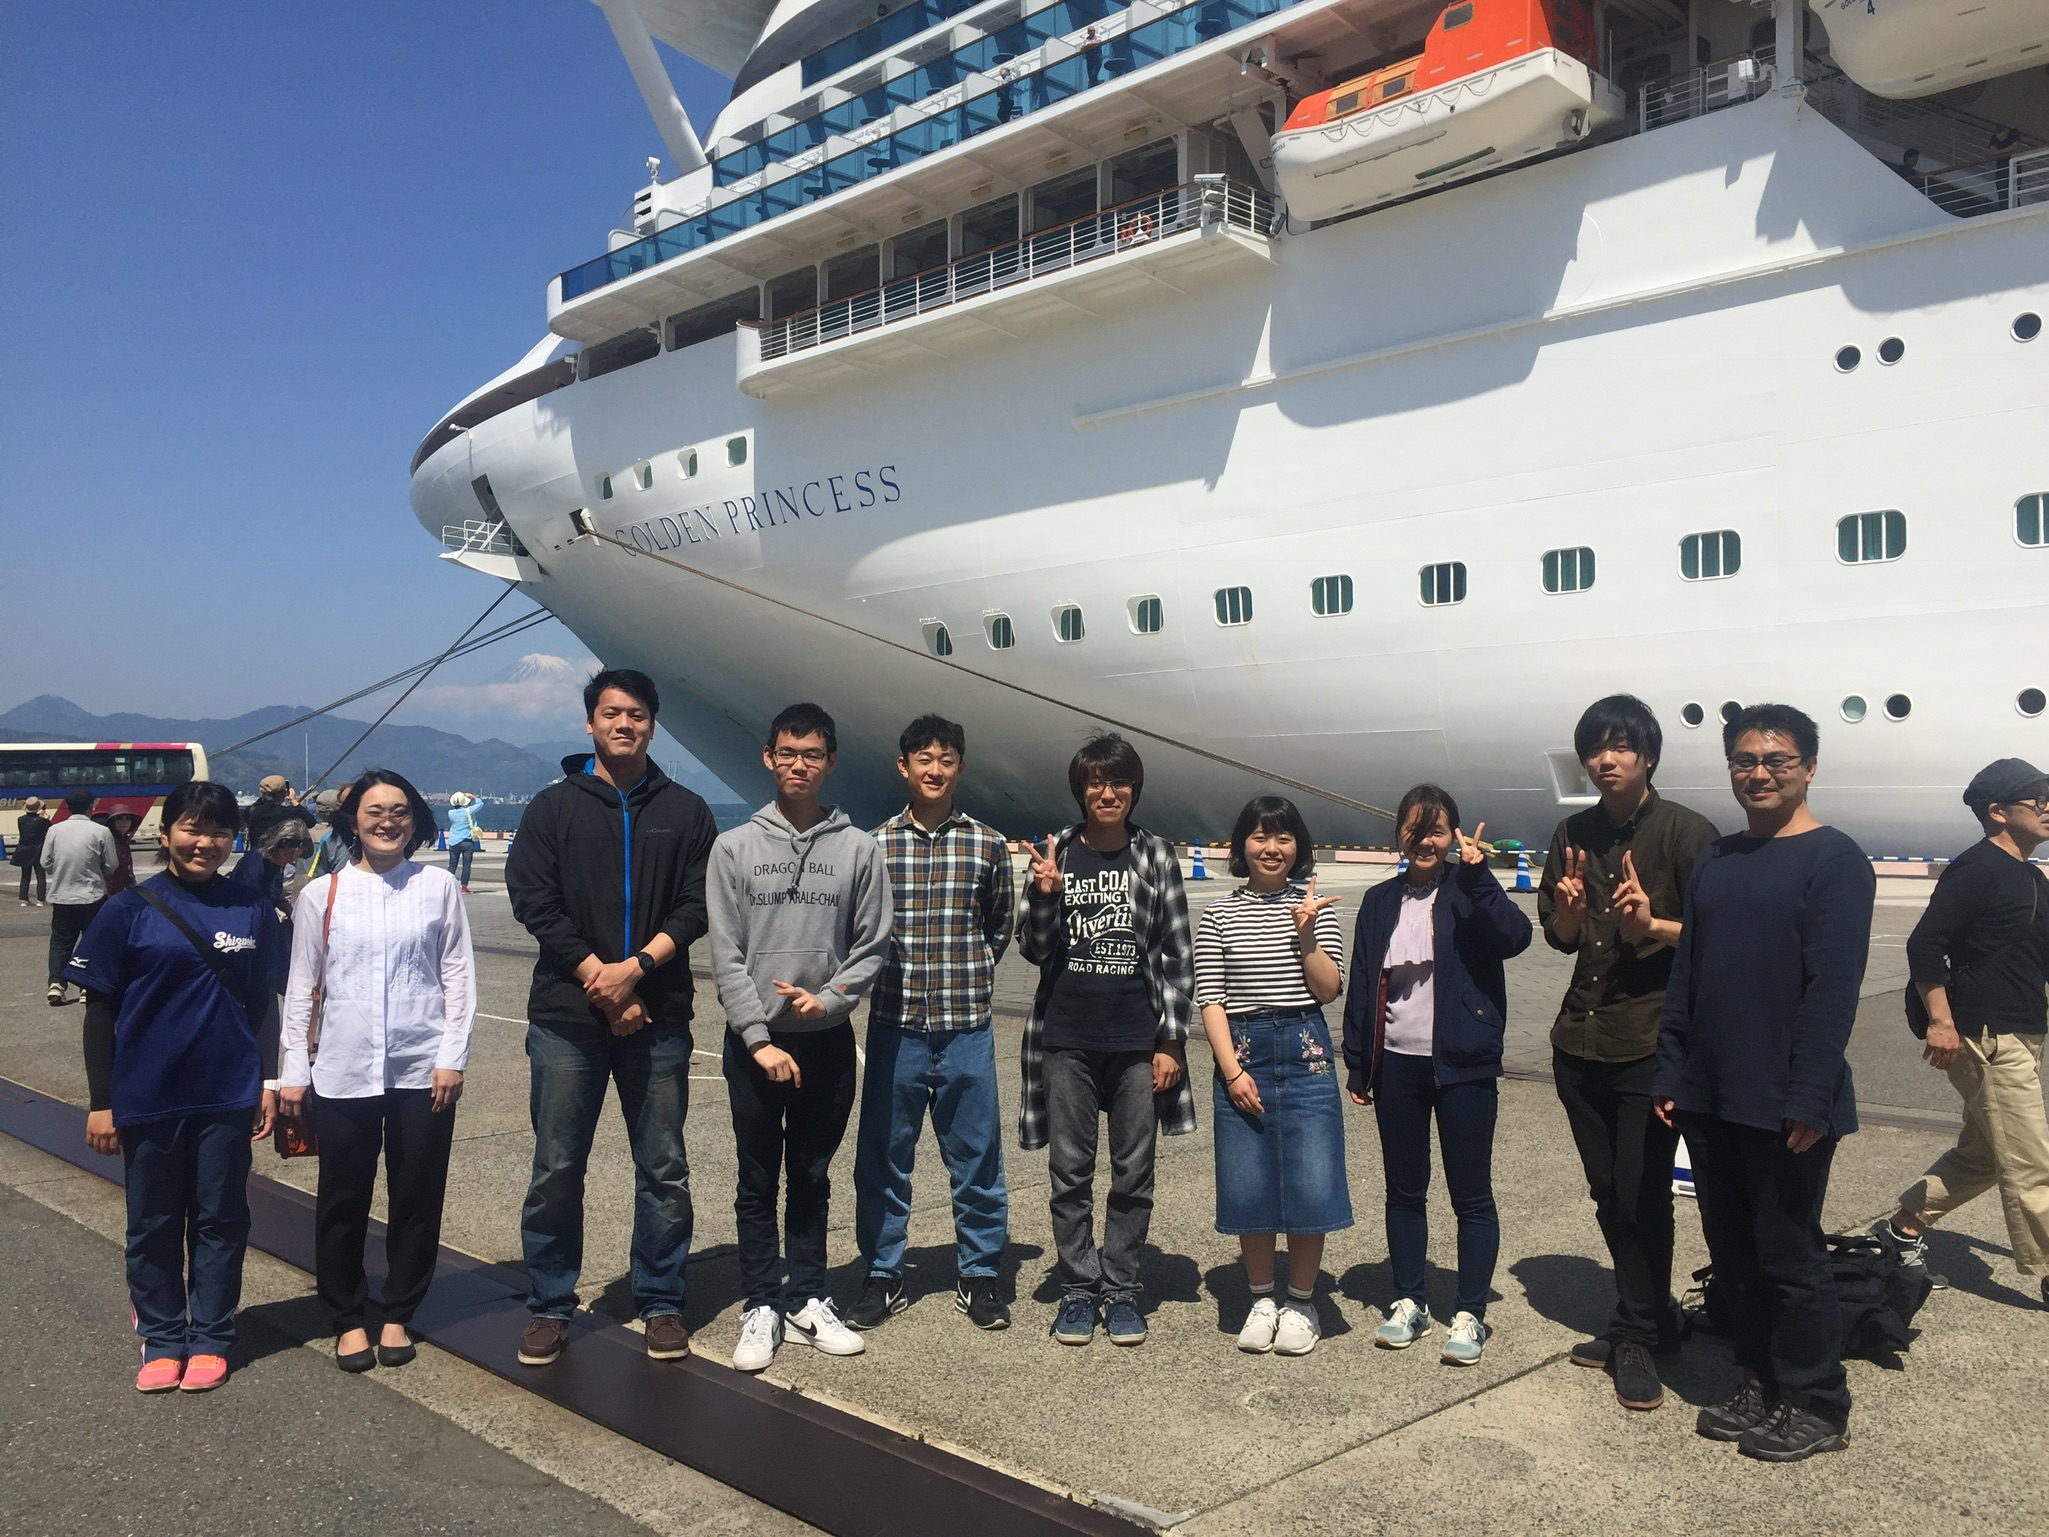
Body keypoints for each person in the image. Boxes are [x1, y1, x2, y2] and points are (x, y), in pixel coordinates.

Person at [1654, 703, 1874, 1463]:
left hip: (1785, 1099)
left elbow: (1832, 989)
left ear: (1808, 766)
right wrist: (1670, 1065)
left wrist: (1810, 1093)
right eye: (1744, 760)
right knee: (1733, 1251)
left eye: (1776, 759)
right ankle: (1758, 1376)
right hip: (1709, 1091)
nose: (1758, 772)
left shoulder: (1835, 859)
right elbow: (1688, 975)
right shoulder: (1718, 858)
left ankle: (1816, 1399)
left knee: (1788, 1253)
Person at [505, 668, 717, 1368]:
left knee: (663, 1166)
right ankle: (550, 1303)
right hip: (569, 1015)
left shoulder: (685, 811)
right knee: (557, 1166)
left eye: (636, 714)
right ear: (589, 723)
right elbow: (534, 901)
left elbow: (696, 904)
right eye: (610, 713)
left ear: (653, 724)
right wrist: (600, 975)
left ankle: (660, 1299)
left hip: (657, 1012)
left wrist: (637, 970)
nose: (623, 723)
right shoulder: (550, 808)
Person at [71, 780, 285, 1393]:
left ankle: (212, 1332)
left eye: (218, 831)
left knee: (221, 1217)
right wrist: (102, 1101)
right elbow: (100, 1013)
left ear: (233, 839)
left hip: (226, 1092)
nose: (205, 842)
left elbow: (263, 1005)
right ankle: (163, 1335)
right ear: (164, 835)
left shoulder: (250, 908)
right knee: (154, 1220)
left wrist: (266, 1081)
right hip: (148, 1092)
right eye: (192, 828)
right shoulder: (128, 910)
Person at [1538, 696, 1718, 1411]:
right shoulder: (1572, 832)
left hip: (1649, 1041)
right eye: (1594, 747)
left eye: (1619, 746)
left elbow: (1718, 937)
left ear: (1647, 755)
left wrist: (1655, 922)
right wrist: (1572, 914)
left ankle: (1638, 1328)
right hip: (1577, 1039)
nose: (1604, 759)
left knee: (1642, 1188)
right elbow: (1557, 934)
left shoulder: (1686, 833)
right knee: (1608, 1189)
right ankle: (1650, 1314)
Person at [709, 702, 892, 1373]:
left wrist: (832, 998)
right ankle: (761, 1300)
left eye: (811, 753)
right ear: (768, 756)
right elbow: (725, 954)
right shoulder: (732, 848)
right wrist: (758, 1037)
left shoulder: (858, 849)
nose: (798, 764)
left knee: (811, 1175)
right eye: (787, 751)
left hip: (825, 1039)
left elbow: (872, 943)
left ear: (830, 760)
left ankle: (809, 1294)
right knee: (757, 1177)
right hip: (756, 1044)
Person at [280, 769, 475, 1372]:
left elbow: (458, 975)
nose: (387, 820)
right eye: (374, 810)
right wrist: (292, 1069)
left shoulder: (438, 886)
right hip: (342, 1067)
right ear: (352, 820)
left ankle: (398, 1311)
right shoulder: (322, 894)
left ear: (415, 819)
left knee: (417, 1193)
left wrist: (452, 1056)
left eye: (399, 810)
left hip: (422, 1067)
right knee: (343, 1196)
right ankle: (345, 1314)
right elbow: (301, 987)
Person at [1343, 785, 1531, 1367]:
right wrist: (1358, 1061)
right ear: (1397, 834)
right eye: (1414, 828)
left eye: (1437, 830)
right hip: (1396, 1063)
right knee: (1404, 1189)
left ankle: (1471, 1311)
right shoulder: (1379, 901)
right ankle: (1409, 1301)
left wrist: (1481, 879)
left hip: (1464, 1064)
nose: (1426, 840)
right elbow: (1361, 982)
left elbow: (1516, 938)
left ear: (1452, 838)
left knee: (1471, 1194)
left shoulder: (1467, 890)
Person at [1019, 733, 1194, 1349]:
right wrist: (1044, 896)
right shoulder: (1057, 853)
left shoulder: (1155, 855)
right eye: (1095, 782)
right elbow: (1034, 949)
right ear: (1081, 790)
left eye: (1119, 782)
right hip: (1066, 1038)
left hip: (1135, 1041)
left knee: (1133, 1171)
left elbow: (1177, 952)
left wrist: (1172, 1043)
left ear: (1133, 789)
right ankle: (1075, 1288)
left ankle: (1120, 1287)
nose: (1107, 793)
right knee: (1069, 1170)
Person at [850, 715, 1017, 1333]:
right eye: (923, 758)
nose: (934, 769)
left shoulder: (988, 844)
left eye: (946, 759)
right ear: (904, 767)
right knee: (885, 1157)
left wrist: (968, 974)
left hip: (966, 1026)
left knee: (976, 1157)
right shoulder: (874, 845)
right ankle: (884, 1272)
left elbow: (998, 925)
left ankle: (979, 1274)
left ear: (960, 768)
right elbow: (860, 930)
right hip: (896, 1023)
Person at [1874, 758, 2049, 1307]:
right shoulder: (1976, 868)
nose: (2048, 807)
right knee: (2031, 1162)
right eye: (2037, 799)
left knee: (1985, 1157)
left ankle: (1903, 1228)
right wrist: (1941, 1021)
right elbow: (1925, 944)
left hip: (2021, 1031)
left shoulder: (2029, 873)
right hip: (1985, 1036)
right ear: (1998, 812)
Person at [1196, 795, 1348, 1357]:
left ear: (1298, 847)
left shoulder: (1316, 907)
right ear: (1242, 847)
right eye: (1260, 837)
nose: (1271, 848)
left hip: (1304, 1046)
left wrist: (1306, 933)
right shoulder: (1218, 912)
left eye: (1283, 838)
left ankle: (1303, 1301)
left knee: (1313, 1176)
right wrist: (1230, 1071)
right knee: (1248, 1177)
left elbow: (1328, 990)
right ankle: (1262, 1297)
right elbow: (1210, 998)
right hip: (1243, 1049)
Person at [42, 789, 122, 1005]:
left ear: (67, 806)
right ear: (91, 806)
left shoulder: (54, 830)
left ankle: (56, 984)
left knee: (60, 941)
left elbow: (45, 863)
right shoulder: (100, 831)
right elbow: (111, 865)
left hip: (62, 896)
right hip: (92, 895)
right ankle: (86, 986)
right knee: (92, 940)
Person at [243, 774, 300, 852]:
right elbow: (310, 821)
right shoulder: (286, 812)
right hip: (276, 859)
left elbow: (258, 804)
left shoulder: (250, 811)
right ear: (283, 793)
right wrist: (293, 800)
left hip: (255, 858)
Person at [13, 796, 50, 906]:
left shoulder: (20, 819)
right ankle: (40, 899)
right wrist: (47, 819)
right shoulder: (42, 821)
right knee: (40, 875)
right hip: (38, 849)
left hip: (24, 849)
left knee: (25, 875)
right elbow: (49, 829)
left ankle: (24, 899)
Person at [445, 792, 483, 892]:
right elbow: (480, 804)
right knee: (466, 865)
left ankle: (449, 887)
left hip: (453, 841)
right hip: (467, 841)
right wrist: (472, 796)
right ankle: (464, 887)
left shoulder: (450, 813)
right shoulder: (469, 811)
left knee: (452, 865)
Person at [100, 811, 141, 896]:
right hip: (107, 892)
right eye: (119, 818)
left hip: (119, 890)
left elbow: (128, 870)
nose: (124, 821)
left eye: (128, 818)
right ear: (112, 822)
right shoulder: (108, 841)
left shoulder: (124, 841)